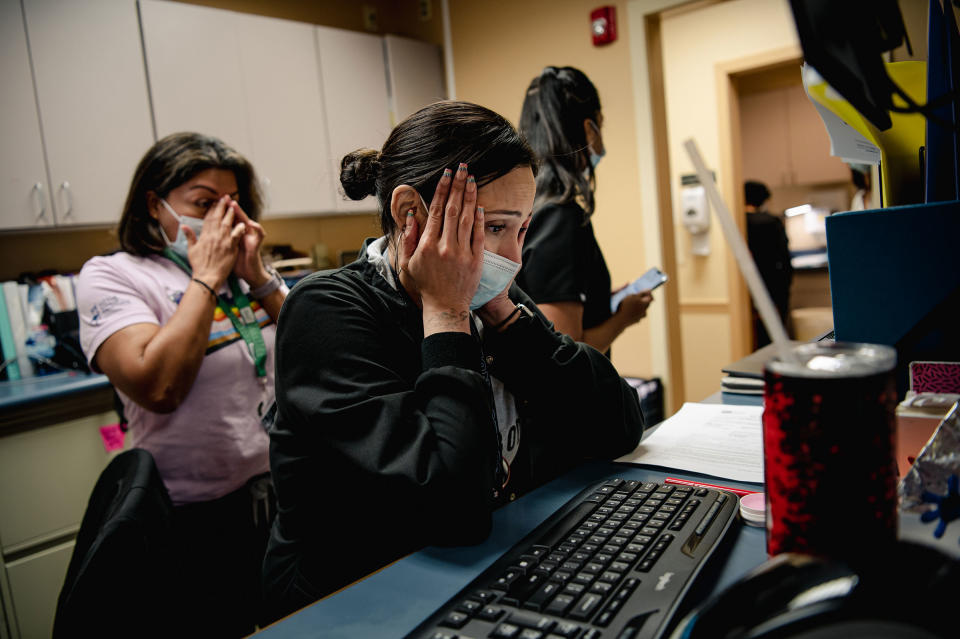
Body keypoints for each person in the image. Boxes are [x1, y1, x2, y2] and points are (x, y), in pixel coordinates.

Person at [262, 101, 645, 621]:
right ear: (409, 214)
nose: (512, 257)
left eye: (522, 230)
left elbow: (619, 425)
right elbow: (451, 506)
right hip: (352, 600)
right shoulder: (326, 310)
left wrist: (505, 316)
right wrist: (445, 312)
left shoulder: (495, 297)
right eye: (492, 228)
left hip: (473, 571)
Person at [75, 132, 287, 637]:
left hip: (277, 493)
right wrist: (207, 278)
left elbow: (314, 353)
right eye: (204, 203)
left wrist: (257, 277)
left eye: (232, 204)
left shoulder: (244, 273)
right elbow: (160, 388)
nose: (222, 217)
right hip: (191, 512)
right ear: (155, 203)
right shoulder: (114, 276)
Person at [515, 66, 652, 354]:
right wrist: (624, 318)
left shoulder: (525, 207)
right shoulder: (559, 216)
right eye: (601, 124)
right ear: (590, 130)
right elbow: (565, 352)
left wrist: (599, 302)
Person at [743, 180, 793, 348]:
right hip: (774, 286)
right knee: (775, 336)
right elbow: (785, 257)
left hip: (748, 289)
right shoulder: (771, 222)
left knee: (754, 338)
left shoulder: (739, 222)